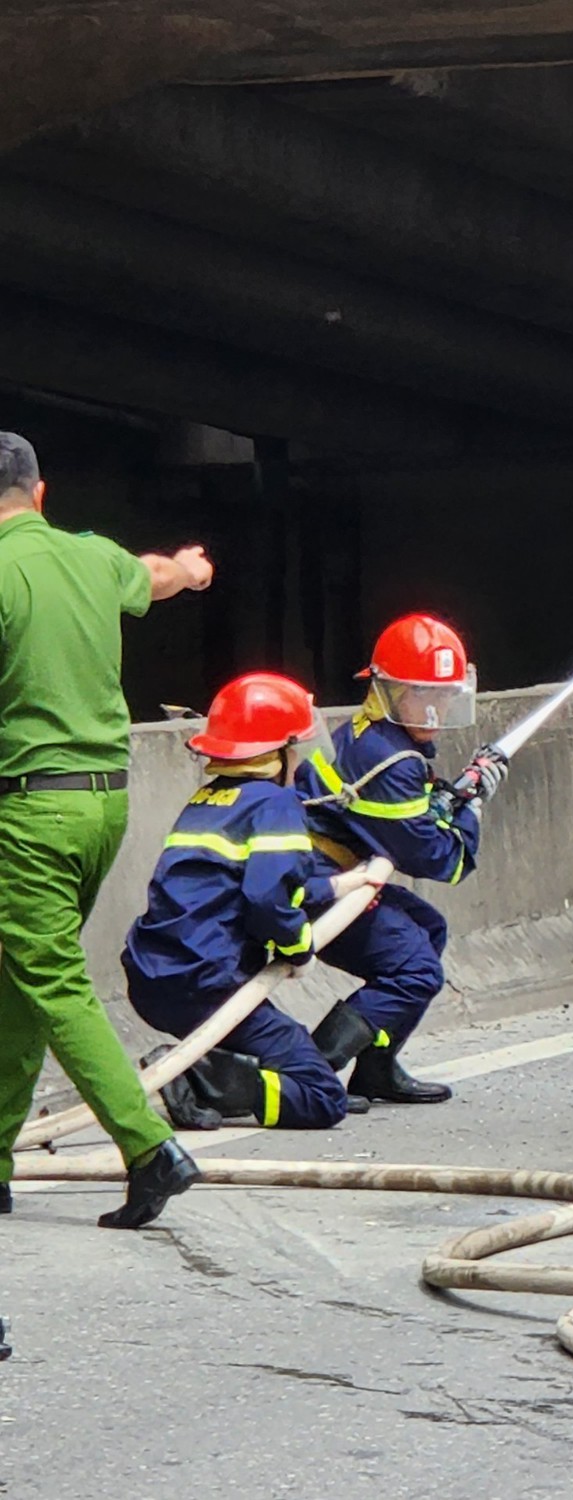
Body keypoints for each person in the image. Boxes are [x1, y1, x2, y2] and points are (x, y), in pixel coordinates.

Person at [0, 431, 215, 1229]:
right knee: (21, 977)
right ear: (41, 493)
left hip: (30, 808)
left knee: (50, 979)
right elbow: (154, 576)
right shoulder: (90, 557)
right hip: (105, 806)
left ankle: (150, 1146)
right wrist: (190, 571)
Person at [123, 673, 388, 1131]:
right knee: (323, 1096)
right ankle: (203, 1077)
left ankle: (202, 1069)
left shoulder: (209, 800)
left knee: (288, 1051)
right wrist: (297, 947)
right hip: (209, 982)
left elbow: (246, 886)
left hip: (156, 977)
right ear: (278, 752)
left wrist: (342, 886)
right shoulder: (275, 804)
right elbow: (267, 900)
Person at [295, 613, 505, 1105]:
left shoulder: (380, 738)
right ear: (387, 690)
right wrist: (472, 807)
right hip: (316, 884)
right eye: (424, 694)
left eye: (445, 695)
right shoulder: (389, 759)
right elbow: (440, 860)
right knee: (417, 971)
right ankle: (311, 1073)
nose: (437, 708)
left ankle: (376, 1066)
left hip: (330, 871)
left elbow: (407, 820)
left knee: (427, 930)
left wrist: (451, 796)